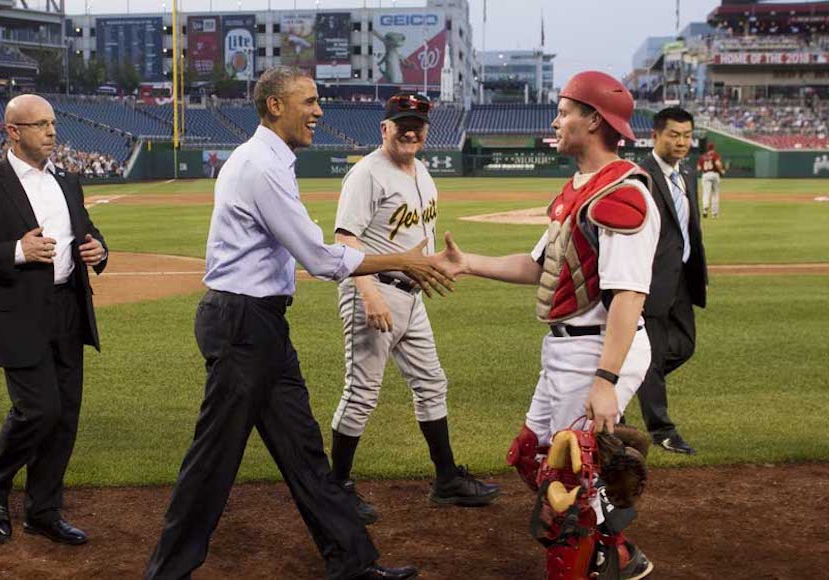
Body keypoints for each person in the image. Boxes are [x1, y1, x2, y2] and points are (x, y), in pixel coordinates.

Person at [144, 66, 457, 580]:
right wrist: (403, 260)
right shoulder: (261, 167)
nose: (318, 111)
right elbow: (317, 256)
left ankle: (352, 561)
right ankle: (166, 572)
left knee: (305, 452)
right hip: (241, 323)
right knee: (213, 460)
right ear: (275, 106)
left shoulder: (267, 160)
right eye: (308, 101)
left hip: (259, 323)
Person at [447, 71, 658, 579]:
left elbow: (629, 294)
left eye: (564, 112)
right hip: (565, 350)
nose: (556, 121)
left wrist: (605, 382)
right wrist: (466, 262)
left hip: (598, 351)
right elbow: (542, 269)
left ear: (593, 120)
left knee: (565, 481)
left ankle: (584, 563)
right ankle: (618, 551)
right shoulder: (578, 190)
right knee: (531, 456)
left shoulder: (623, 195)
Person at [0, 94, 108, 546]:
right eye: (40, 125)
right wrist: (17, 251)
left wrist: (99, 250)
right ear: (13, 132)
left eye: (53, 123)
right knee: (39, 409)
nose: (52, 131)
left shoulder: (68, 182)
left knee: (65, 415)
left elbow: (87, 231)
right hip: (16, 315)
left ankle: (43, 511)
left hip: (69, 310)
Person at [328, 92, 498, 525]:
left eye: (418, 124)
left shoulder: (421, 170)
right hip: (373, 293)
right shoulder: (367, 174)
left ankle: (445, 480)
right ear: (384, 128)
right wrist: (368, 293)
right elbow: (346, 240)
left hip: (412, 295)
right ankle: (336, 489)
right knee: (362, 393)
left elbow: (413, 243)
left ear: (426, 131)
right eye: (401, 123)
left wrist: (433, 265)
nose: (410, 130)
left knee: (431, 383)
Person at [635, 107, 707, 455]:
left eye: (687, 135)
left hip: (680, 278)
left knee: (685, 345)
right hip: (649, 281)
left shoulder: (686, 174)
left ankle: (633, 376)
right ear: (655, 136)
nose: (681, 142)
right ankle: (661, 429)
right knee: (650, 357)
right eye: (674, 135)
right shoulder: (641, 176)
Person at [698, 141, 724, 218]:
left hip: (705, 175)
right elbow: (717, 163)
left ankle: (705, 209)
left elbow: (698, 168)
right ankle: (714, 214)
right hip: (714, 174)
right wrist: (721, 170)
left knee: (706, 194)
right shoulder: (715, 155)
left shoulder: (703, 156)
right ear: (713, 148)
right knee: (715, 194)